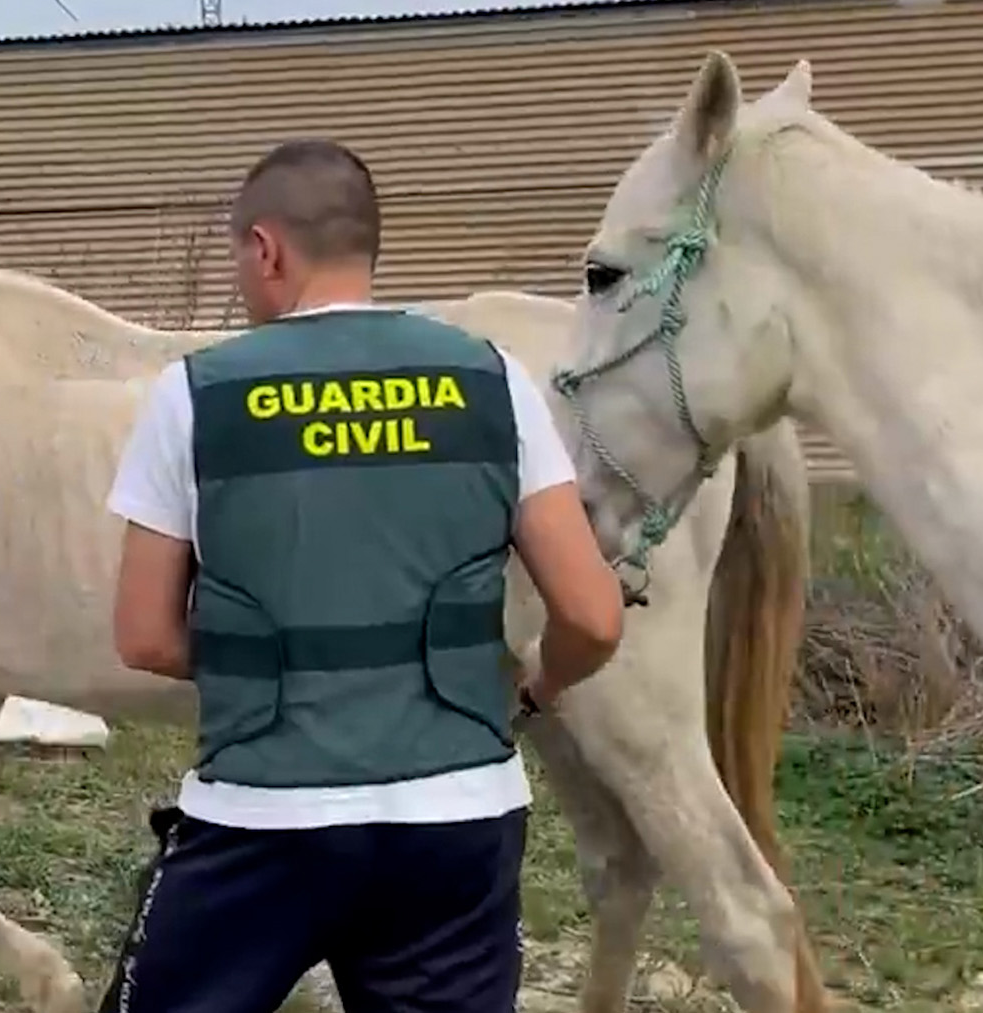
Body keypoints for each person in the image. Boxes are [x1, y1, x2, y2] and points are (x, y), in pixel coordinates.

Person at [98, 138, 626, 1013]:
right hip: (458, 822)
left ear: (265, 248)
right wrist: (540, 685)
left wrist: (275, 663)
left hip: (262, 823)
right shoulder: (494, 381)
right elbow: (594, 616)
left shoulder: (196, 394)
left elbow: (144, 633)